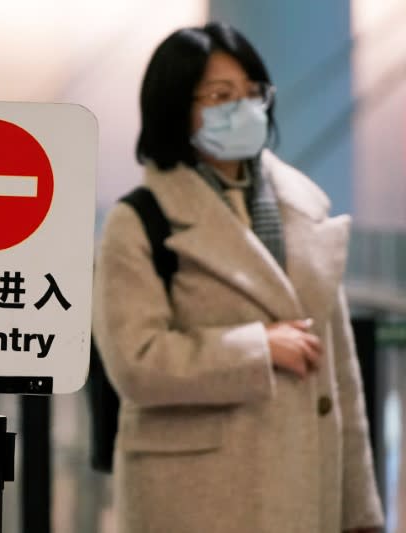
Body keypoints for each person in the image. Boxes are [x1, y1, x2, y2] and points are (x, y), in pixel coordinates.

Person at [92, 22, 383, 533]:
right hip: (197, 497)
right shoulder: (142, 220)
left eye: (252, 93)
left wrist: (360, 513)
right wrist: (257, 348)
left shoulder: (304, 209)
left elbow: (341, 377)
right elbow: (135, 361)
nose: (244, 109)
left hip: (303, 491)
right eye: (221, 96)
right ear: (175, 106)